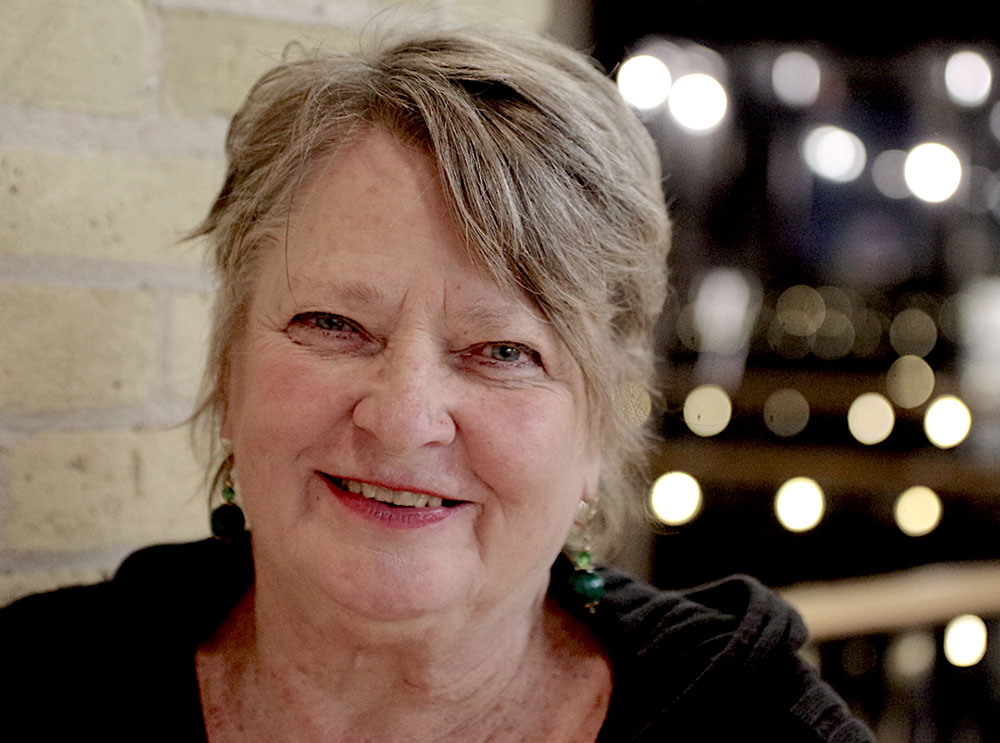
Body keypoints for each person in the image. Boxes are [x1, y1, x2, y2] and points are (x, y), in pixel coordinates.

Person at [2, 27, 874, 742]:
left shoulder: (763, 731)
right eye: (333, 325)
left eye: (502, 351)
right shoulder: (42, 687)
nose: (402, 417)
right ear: (229, 371)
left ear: (597, 433)